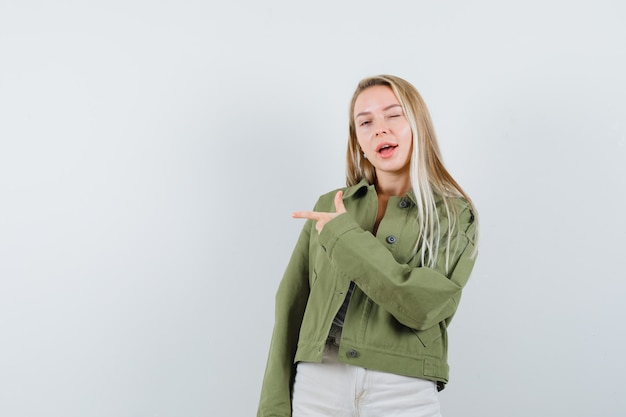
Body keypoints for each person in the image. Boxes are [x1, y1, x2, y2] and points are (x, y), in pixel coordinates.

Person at [257, 74, 479, 417]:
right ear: (358, 140)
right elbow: (291, 305)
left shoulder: (453, 214)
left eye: (394, 115)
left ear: (418, 125)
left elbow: (422, 306)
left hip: (403, 389)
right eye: (366, 122)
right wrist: (272, 407)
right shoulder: (329, 205)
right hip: (318, 386)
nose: (380, 129)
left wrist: (345, 238)